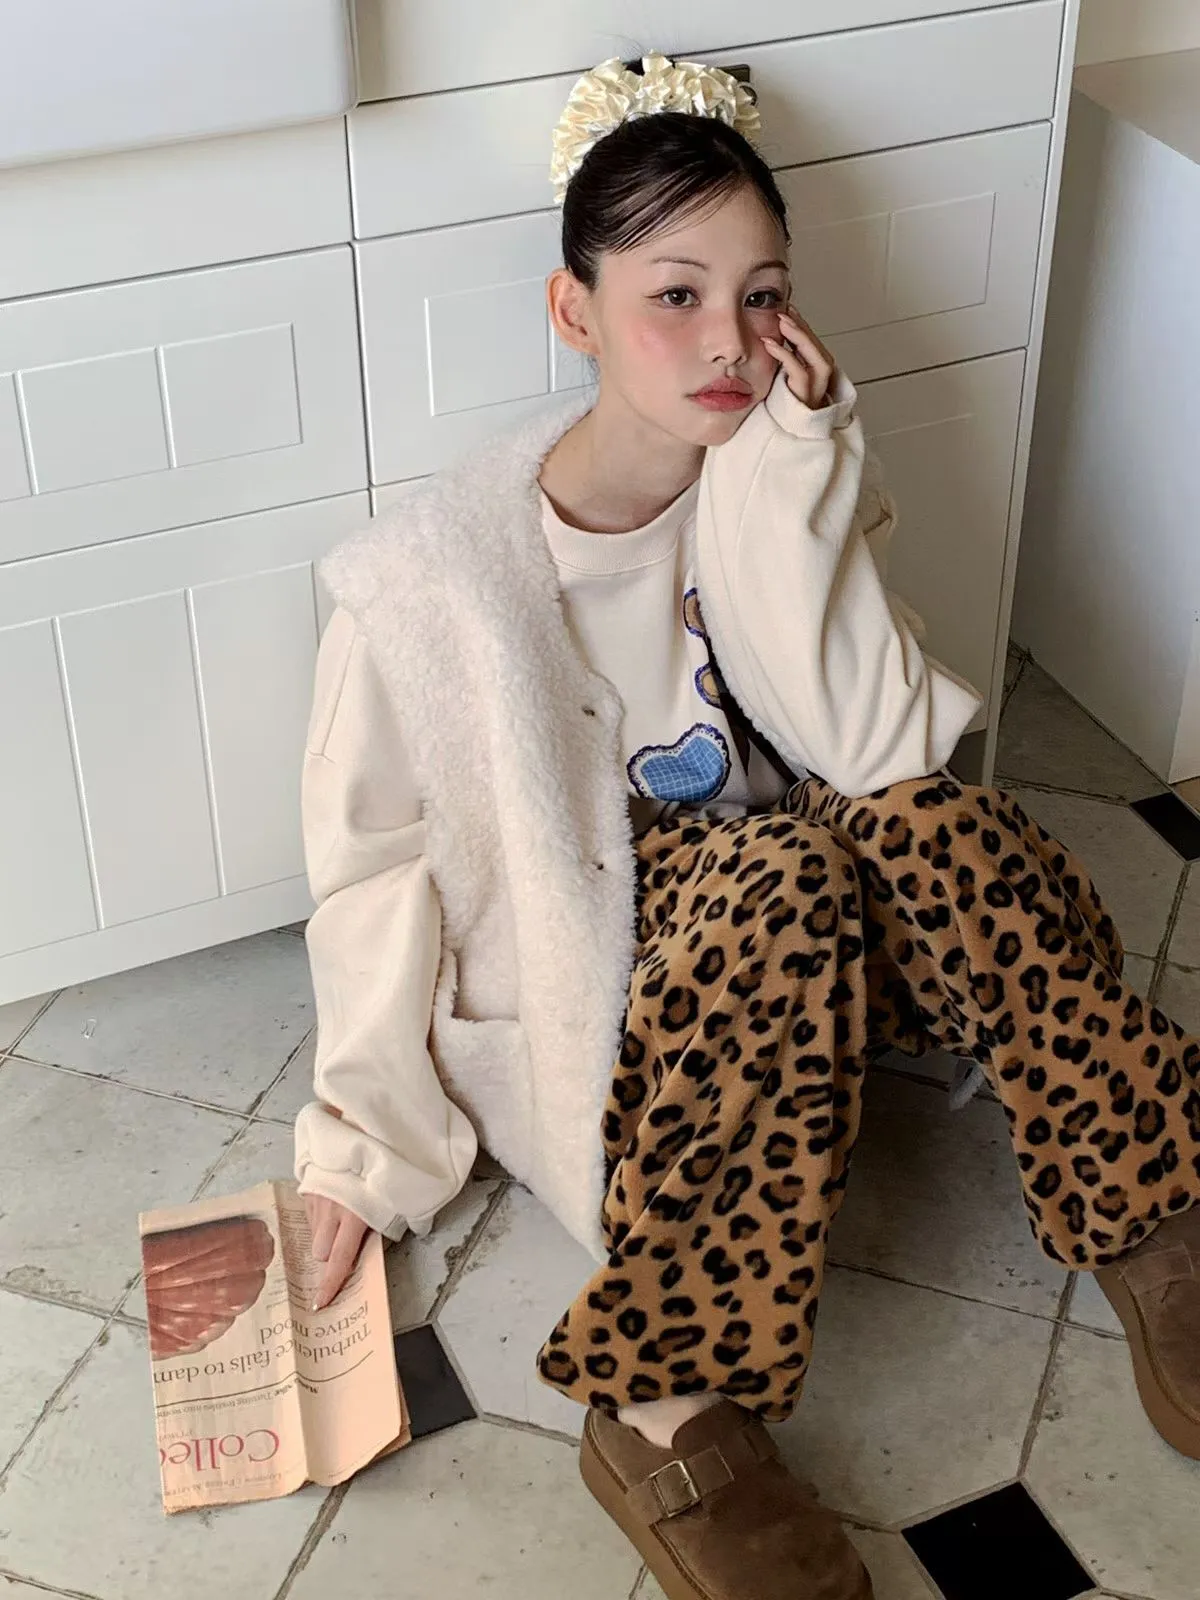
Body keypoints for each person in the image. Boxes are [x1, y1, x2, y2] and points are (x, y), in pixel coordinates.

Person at [294, 51, 1200, 1600]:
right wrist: (358, 1154)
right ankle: (665, 1401)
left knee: (948, 832)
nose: (728, 340)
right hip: (644, 995)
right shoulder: (427, 583)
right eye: (675, 295)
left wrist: (792, 476)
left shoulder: (775, 472)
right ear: (575, 309)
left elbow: (880, 750)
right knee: (781, 867)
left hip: (829, 931)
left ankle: (1153, 1208)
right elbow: (375, 876)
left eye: (762, 295)